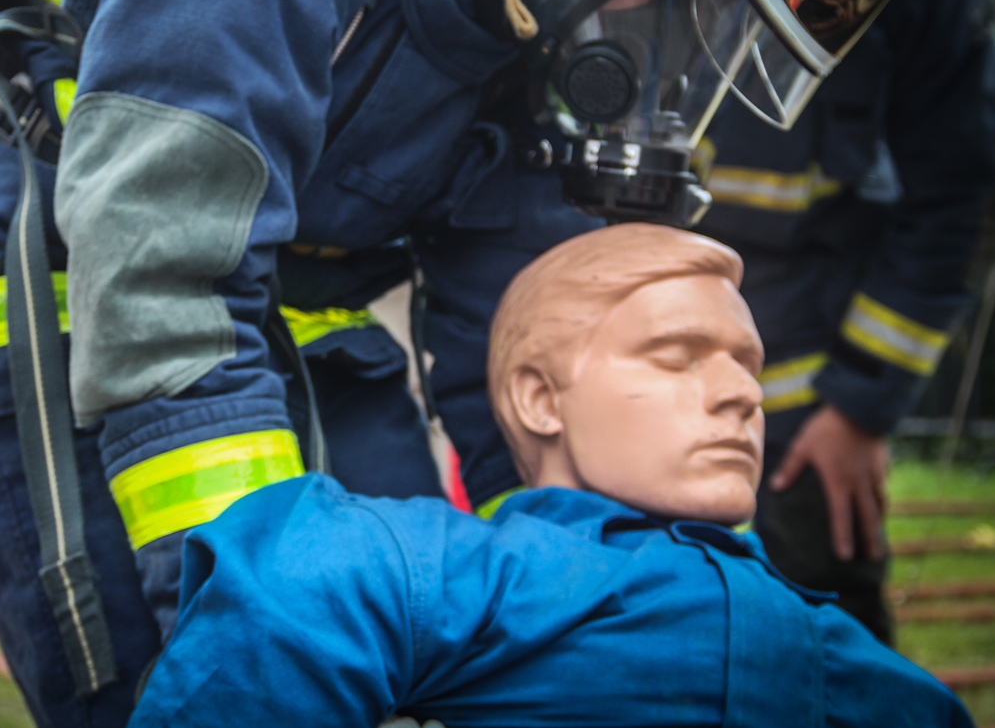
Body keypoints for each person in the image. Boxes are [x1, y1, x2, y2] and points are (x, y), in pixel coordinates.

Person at [0, 0, 943, 724]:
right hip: (58, 267)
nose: (666, 20)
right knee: (212, 667)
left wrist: (594, 593)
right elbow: (163, 272)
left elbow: (519, 326)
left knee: (422, 643)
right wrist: (242, 618)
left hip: (274, 274)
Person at [127, 223, 971, 728]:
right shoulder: (476, 576)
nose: (742, 395)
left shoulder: (832, 639)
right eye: (677, 355)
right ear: (539, 398)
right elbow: (302, 585)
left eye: (746, 367)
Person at [694, 0, 995, 643]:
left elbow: (955, 204)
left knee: (831, 639)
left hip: (814, 411)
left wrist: (858, 409)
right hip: (650, 376)